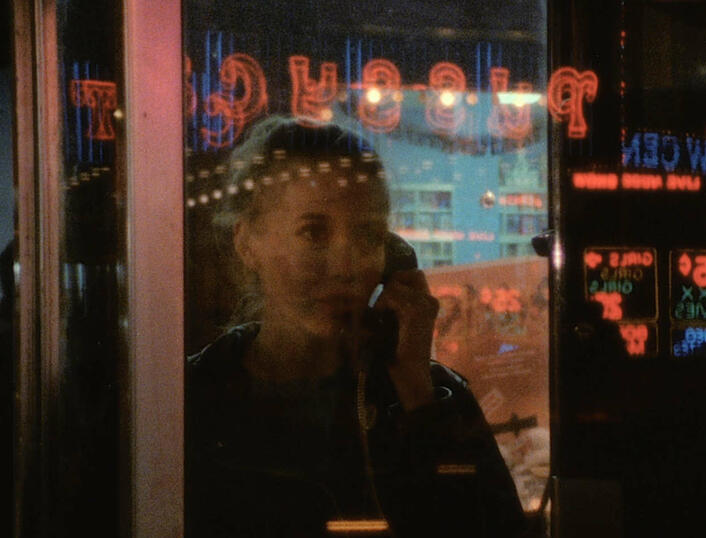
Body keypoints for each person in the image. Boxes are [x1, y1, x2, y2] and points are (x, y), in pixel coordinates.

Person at [186, 116, 528, 537]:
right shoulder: (193, 397)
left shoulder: (429, 395)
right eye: (313, 233)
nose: (346, 265)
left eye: (368, 236)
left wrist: (416, 396)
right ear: (247, 243)